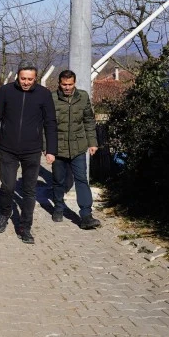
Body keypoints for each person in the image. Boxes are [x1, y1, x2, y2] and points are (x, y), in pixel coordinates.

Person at [0, 59, 56, 245]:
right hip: (8, 148)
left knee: (29, 191)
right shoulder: (6, 91)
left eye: (30, 79)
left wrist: (51, 150)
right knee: (7, 186)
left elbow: (50, 123)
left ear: (36, 78)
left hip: (32, 151)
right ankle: (5, 212)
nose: (26, 82)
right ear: (17, 76)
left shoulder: (44, 94)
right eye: (23, 78)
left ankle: (25, 227)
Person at [51, 70, 101, 230]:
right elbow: (47, 125)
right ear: (59, 83)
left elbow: (88, 120)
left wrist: (92, 142)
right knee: (59, 180)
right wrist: (47, 148)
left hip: (79, 146)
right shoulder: (51, 98)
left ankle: (86, 215)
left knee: (81, 179)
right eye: (64, 84)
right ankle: (58, 207)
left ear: (75, 83)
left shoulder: (83, 97)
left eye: (70, 84)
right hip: (58, 148)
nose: (67, 87)